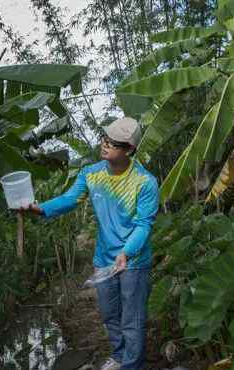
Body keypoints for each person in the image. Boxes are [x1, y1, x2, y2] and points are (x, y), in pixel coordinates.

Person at [21, 117, 159, 370]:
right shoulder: (91, 173)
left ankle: (132, 365)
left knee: (132, 319)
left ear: (129, 149)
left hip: (134, 261)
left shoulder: (145, 182)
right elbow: (70, 199)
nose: (105, 145)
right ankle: (119, 356)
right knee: (109, 315)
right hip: (104, 259)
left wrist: (126, 253)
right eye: (104, 139)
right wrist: (40, 209)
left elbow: (144, 225)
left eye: (113, 143)